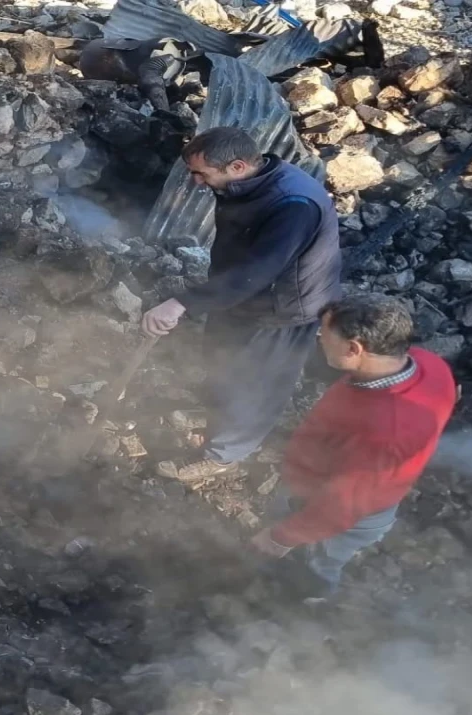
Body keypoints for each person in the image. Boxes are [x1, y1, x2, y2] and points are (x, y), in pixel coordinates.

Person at [142, 126, 341, 483]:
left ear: (236, 166)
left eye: (202, 175)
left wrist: (183, 302)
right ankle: (217, 420)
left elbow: (258, 272)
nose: (197, 183)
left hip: (282, 310)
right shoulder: (246, 182)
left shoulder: (293, 205)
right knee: (222, 364)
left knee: (253, 389)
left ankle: (224, 456)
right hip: (238, 294)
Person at [250, 295, 457, 597]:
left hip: (352, 510)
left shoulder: (385, 432)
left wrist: (282, 538)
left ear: (354, 348)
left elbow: (344, 505)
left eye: (324, 334)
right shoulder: (430, 365)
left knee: (323, 560)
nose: (319, 339)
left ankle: (311, 599)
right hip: (341, 485)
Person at [77, 37, 207, 112]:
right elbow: (150, 78)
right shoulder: (160, 53)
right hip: (92, 60)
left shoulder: (167, 44)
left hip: (96, 55)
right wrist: (165, 112)